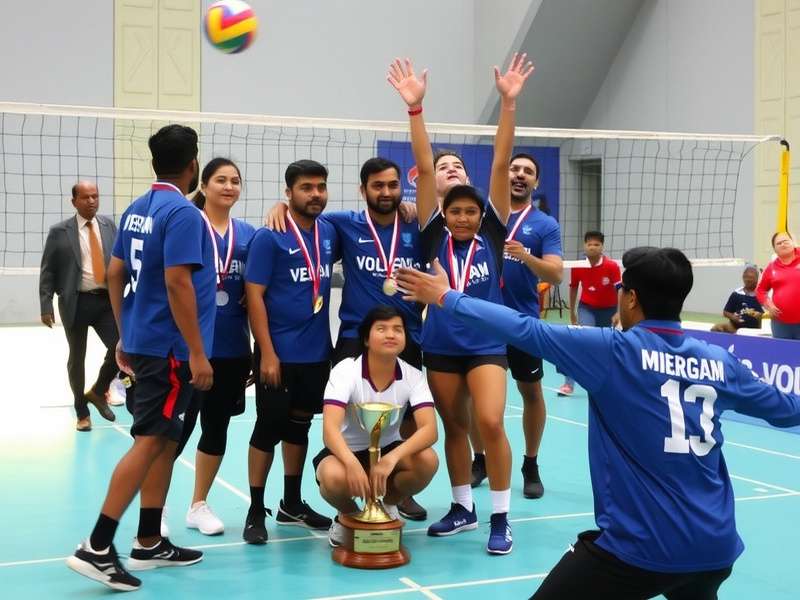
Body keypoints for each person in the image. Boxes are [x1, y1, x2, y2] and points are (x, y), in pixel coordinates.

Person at [397, 247, 800, 600]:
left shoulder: (613, 351)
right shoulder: (720, 360)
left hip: (639, 550)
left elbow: (523, 328)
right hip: (715, 547)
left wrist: (447, 297)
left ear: (631, 299)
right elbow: (786, 408)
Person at [388, 52, 533, 554]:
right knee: (453, 426)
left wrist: (509, 104)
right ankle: (462, 507)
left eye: (473, 211)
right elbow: (426, 168)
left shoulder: (492, 234)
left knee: (489, 423)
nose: (466, 218)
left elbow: (499, 161)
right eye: (458, 212)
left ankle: (500, 516)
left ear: (483, 214)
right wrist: (415, 110)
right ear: (445, 214)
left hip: (488, 343)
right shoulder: (431, 236)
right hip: (442, 343)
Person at [66, 124, 215, 591]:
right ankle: (97, 544)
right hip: (170, 349)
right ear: (193, 164)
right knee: (150, 441)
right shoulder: (184, 213)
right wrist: (196, 352)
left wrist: (124, 331)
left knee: (165, 441)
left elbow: (114, 273)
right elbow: (177, 283)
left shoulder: (135, 210)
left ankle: (149, 538)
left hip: (145, 342)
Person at [266, 156, 429, 521]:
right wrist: (282, 206)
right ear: (362, 190)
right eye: (377, 186)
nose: (386, 192)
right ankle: (346, 477)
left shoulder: (415, 225)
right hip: (356, 336)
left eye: (392, 185)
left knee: (406, 415)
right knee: (344, 415)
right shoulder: (343, 225)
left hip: (407, 334)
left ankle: (395, 492)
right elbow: (304, 222)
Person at [243, 159, 338, 544]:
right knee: (268, 428)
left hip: (315, 354)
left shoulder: (330, 232)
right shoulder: (270, 236)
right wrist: (266, 352)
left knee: (301, 426)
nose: (315, 194)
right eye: (306, 188)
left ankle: (292, 503)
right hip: (276, 354)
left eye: (320, 187)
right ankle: (255, 508)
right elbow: (254, 295)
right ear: (288, 193)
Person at [472, 151, 563, 500]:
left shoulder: (544, 225)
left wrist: (525, 256)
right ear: (503, 175)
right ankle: (479, 459)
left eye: (528, 171)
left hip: (522, 322)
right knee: (476, 399)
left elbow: (555, 274)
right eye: (514, 169)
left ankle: (530, 463)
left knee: (531, 392)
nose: (520, 175)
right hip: (482, 321)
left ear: (535, 183)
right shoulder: (482, 216)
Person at [172, 158, 256, 536]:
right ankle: (153, 507)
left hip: (232, 348)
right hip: (190, 348)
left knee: (216, 428)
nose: (228, 186)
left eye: (235, 181)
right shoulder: (188, 226)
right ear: (203, 186)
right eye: (220, 180)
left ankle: (198, 504)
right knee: (174, 430)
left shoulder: (250, 234)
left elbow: (258, 290)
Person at [314, 306, 439, 546]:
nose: (391, 335)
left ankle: (387, 505)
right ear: (366, 339)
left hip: (388, 449)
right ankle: (348, 516)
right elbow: (330, 430)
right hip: (345, 452)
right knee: (331, 477)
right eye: (381, 329)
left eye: (398, 330)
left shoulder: (413, 376)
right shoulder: (346, 371)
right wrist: (351, 464)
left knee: (428, 461)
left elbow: (429, 430)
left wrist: (391, 459)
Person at [39, 181, 119, 431]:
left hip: (106, 301)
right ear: (74, 201)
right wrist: (46, 305)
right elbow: (48, 270)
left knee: (121, 349)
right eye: (85, 197)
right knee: (77, 357)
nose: (92, 201)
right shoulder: (59, 232)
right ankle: (81, 412)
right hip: (76, 301)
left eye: (95, 196)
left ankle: (98, 390)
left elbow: (120, 261)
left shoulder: (109, 226)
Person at [558, 230, 620, 396]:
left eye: (596, 244)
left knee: (605, 347)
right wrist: (572, 313)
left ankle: (607, 384)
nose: (592, 247)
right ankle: (569, 384)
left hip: (609, 310)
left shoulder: (612, 266)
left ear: (602, 247)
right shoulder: (578, 265)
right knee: (581, 342)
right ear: (584, 246)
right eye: (589, 244)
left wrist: (619, 312)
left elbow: (620, 290)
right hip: (587, 308)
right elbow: (573, 289)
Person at [756, 232, 800, 339]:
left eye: (785, 241)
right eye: (778, 243)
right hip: (780, 324)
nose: (783, 244)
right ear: (775, 249)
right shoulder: (771, 268)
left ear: (793, 242)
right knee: (783, 353)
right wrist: (768, 304)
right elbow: (760, 290)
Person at [710, 264, 763, 334]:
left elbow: (766, 314)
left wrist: (758, 315)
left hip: (752, 330)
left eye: (751, 277)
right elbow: (726, 312)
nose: (748, 279)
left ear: (757, 278)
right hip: (734, 327)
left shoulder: (761, 295)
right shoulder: (736, 293)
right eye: (746, 277)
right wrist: (733, 317)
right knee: (716, 328)